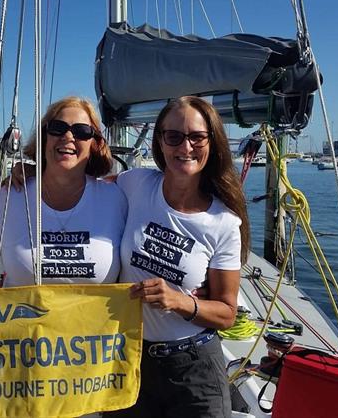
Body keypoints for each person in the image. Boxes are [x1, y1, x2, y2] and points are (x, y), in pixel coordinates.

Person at [106, 96, 250, 418]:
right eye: (174, 136)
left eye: (196, 137)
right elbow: (83, 190)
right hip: (131, 359)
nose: (185, 146)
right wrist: (32, 173)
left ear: (211, 142)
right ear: (160, 141)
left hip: (193, 366)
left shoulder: (224, 223)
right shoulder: (136, 183)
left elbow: (227, 313)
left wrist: (179, 301)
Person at [0, 96, 126, 286]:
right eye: (58, 128)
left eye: (82, 131)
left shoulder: (115, 198)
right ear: (44, 136)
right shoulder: (10, 196)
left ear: (94, 143)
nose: (68, 137)